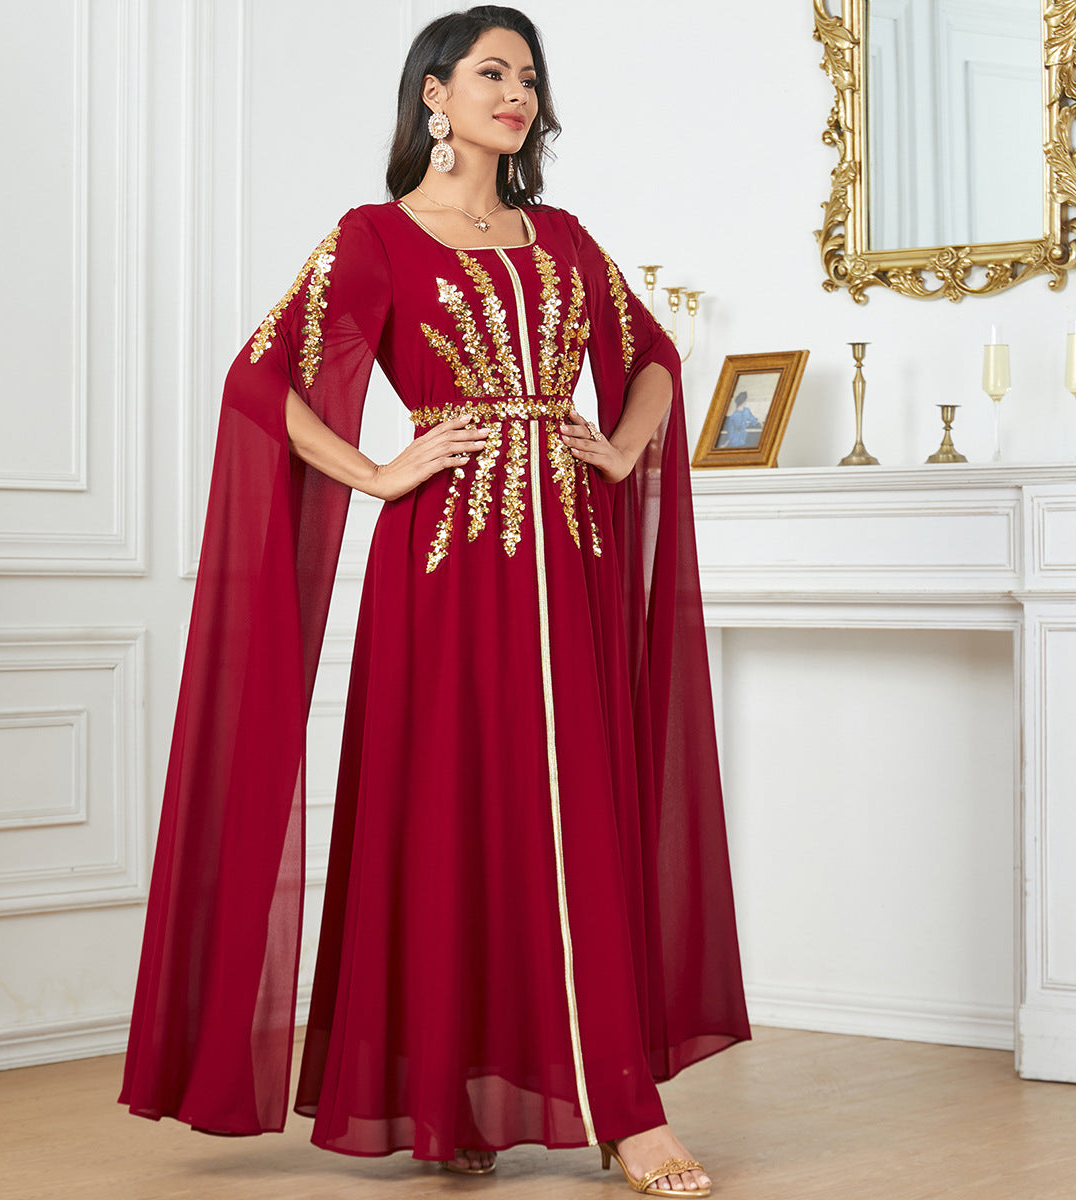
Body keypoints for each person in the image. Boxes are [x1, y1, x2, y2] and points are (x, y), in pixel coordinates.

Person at [118, 7, 750, 1196]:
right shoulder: (375, 239)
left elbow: (655, 358)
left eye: (530, 78)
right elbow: (258, 380)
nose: (517, 94)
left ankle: (626, 1109)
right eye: (493, 72)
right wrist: (374, 470)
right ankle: (449, 1098)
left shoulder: (565, 240)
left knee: (580, 817)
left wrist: (620, 450)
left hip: (568, 562)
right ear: (434, 94)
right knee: (448, 817)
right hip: (445, 569)